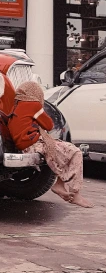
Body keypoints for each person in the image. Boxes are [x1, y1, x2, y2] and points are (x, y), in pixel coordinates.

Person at [8, 81, 93, 209]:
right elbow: (49, 125)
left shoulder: (15, 105)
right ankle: (75, 193)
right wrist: (40, 111)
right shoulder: (33, 105)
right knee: (75, 152)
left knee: (63, 152)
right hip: (34, 144)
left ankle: (60, 184)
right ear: (35, 93)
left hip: (24, 145)